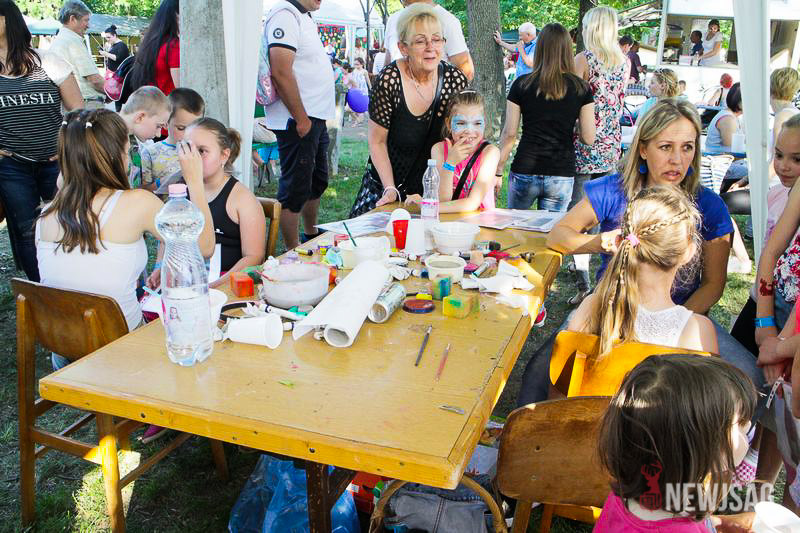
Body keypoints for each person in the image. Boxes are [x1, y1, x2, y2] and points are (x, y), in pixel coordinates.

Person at [517, 100, 760, 408]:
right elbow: (558, 236)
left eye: (687, 147)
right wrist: (600, 242)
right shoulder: (613, 190)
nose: (677, 159)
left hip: (680, 315)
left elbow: (713, 284)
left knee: (750, 379)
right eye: (666, 147)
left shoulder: (709, 205)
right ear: (643, 148)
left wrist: (670, 327)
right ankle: (528, 435)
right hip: (610, 307)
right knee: (540, 373)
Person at [37, 109, 215, 366]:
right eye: (127, 150)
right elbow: (204, 247)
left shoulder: (46, 214)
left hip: (64, 352)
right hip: (122, 350)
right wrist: (194, 181)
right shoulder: (137, 202)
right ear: (117, 156)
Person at [595, 355, 756, 532]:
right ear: (695, 449)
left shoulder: (625, 493)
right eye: (740, 422)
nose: (748, 425)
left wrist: (720, 523)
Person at [567, 186, 718, 357]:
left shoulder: (591, 308)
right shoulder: (697, 331)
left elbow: (565, 370)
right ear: (688, 253)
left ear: (621, 242)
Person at [349, 4, 468, 217]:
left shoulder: (455, 81)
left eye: (436, 39)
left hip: (434, 191)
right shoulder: (389, 80)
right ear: (403, 48)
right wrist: (389, 188)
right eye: (421, 41)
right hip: (388, 188)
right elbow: (377, 142)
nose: (431, 47)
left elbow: (463, 135)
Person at [0, 0, 83, 282]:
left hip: (55, 161)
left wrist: (67, 143)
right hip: (11, 165)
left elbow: (78, 110)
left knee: (68, 222)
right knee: (27, 230)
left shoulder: (46, 61)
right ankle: (42, 291)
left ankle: (71, 281)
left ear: (8, 19)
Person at [148, 118, 265, 290]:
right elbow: (169, 238)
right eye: (187, 149)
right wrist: (161, 267)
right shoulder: (180, 190)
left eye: (202, 151)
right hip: (185, 281)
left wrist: (218, 284)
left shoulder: (242, 199)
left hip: (226, 282)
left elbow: (254, 256)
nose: (192, 159)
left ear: (224, 155)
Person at [497, 22, 595, 214]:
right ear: (567, 50)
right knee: (550, 232)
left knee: (515, 228)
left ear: (540, 48)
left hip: (525, 166)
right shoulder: (581, 88)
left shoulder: (521, 84)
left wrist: (499, 170)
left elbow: (509, 133)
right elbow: (589, 138)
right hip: (560, 172)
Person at [569, 6, 630, 305]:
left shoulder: (583, 59)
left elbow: (571, 103)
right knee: (604, 211)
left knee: (579, 215)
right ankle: (598, 275)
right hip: (610, 144)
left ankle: (583, 283)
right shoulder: (624, 62)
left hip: (584, 142)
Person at [263, 0, 334, 250]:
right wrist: (301, 117)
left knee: (317, 181)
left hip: (314, 117)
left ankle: (310, 234)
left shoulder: (303, 15)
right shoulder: (285, 15)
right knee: (295, 189)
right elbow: (280, 71)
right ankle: (291, 250)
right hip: (298, 119)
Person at [404, 91, 499, 213]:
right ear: (449, 124)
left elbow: (473, 203)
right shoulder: (439, 149)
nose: (469, 130)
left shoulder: (490, 153)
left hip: (480, 221)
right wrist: (450, 163)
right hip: (448, 222)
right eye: (461, 123)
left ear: (484, 123)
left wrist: (428, 206)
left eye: (477, 123)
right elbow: (444, 199)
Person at [384, 0, 474, 81]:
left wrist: (436, 90)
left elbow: (467, 72)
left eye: (436, 39)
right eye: (420, 41)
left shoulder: (448, 21)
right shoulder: (393, 20)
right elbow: (387, 63)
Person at [141, 88, 206, 191]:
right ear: (166, 123)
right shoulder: (150, 153)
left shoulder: (203, 151)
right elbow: (143, 191)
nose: (188, 135)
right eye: (181, 128)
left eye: (195, 129)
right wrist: (161, 182)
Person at [49, 0, 105, 108]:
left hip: (72, 106)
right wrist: (114, 92)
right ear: (72, 19)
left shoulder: (59, 40)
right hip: (88, 105)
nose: (88, 25)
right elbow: (94, 79)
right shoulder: (73, 41)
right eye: (86, 20)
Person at [118, 86, 171, 187]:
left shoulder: (131, 139)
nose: (158, 134)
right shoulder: (111, 142)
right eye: (158, 126)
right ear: (140, 117)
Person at [127, 0, 179, 96]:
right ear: (176, 15)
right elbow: (181, 89)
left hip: (149, 100)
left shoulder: (151, 42)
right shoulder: (173, 45)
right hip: (167, 102)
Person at [349, 57, 371, 125]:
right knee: (355, 104)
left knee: (362, 105)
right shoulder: (353, 71)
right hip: (355, 90)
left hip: (363, 90)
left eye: (357, 64)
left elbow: (368, 81)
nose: (356, 66)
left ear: (362, 64)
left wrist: (370, 88)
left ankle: (360, 120)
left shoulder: (364, 71)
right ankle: (358, 119)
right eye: (355, 64)